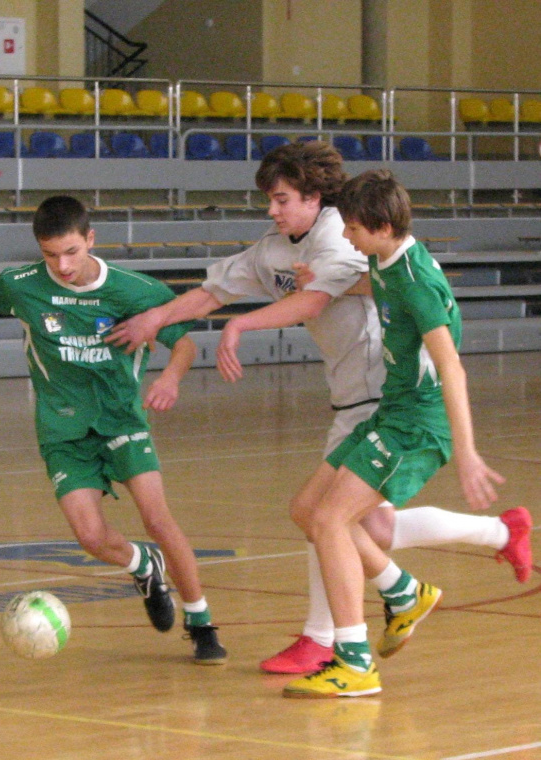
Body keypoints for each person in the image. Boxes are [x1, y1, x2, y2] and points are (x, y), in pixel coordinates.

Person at [105, 143, 533, 676]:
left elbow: (320, 300)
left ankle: (329, 638)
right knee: (359, 526)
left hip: (390, 395)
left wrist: (243, 324)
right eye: (269, 200)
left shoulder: (344, 229)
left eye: (281, 199)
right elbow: (212, 293)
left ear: (314, 198)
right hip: (359, 397)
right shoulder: (277, 248)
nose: (272, 210)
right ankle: (483, 544)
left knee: (329, 518)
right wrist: (158, 318)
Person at [0, 195, 227, 666]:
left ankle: (202, 622)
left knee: (158, 520)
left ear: (90, 239)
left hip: (122, 420)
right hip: (63, 429)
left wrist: (168, 378)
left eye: (71, 251)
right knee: (90, 537)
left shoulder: (133, 290)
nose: (62, 265)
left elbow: (183, 344)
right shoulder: (23, 285)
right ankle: (143, 566)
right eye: (50, 254)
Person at [282, 168, 520, 698]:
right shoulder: (385, 257)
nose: (346, 236)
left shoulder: (418, 285)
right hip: (391, 413)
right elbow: (373, 281)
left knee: (328, 520)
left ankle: (355, 661)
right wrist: (323, 285)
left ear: (383, 226)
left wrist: (466, 453)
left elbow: (452, 369)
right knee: (306, 509)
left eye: (353, 229)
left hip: (418, 425)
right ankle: (402, 591)